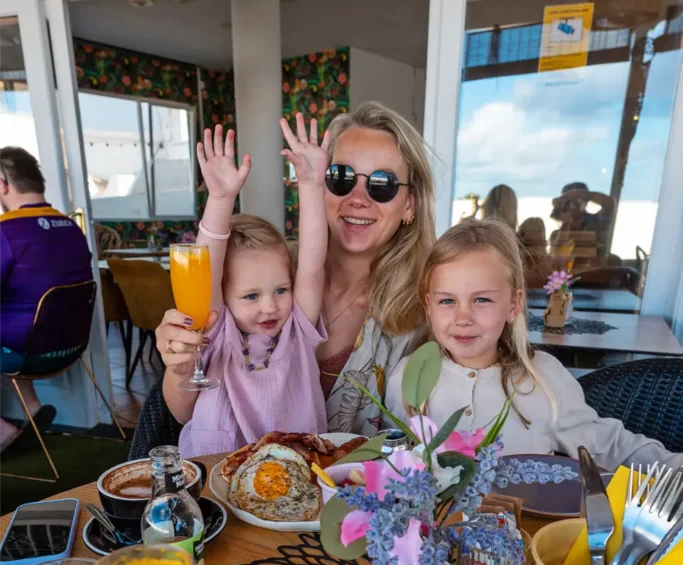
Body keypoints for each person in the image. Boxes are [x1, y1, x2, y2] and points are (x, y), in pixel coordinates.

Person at [157, 101, 436, 436]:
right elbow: (183, 411)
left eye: (382, 183)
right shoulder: (261, 274)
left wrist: (311, 184)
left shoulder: (430, 314)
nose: (358, 198)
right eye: (340, 177)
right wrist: (179, 368)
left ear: (411, 204)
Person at [384, 219, 678, 472]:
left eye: (482, 299)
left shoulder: (545, 378)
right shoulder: (407, 379)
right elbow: (387, 471)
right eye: (447, 300)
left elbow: (611, 447)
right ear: (428, 306)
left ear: (514, 305)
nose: (463, 317)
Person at [159, 115, 329, 457]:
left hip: (294, 474)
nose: (270, 306)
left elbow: (312, 264)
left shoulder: (297, 326)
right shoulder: (217, 329)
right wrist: (221, 199)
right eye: (251, 296)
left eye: (281, 290)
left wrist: (312, 186)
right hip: (219, 475)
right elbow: (207, 265)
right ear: (222, 295)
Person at [0, 146, 93, 449]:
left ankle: (3, 431)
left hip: (25, 353)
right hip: (73, 346)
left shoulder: (7, 231)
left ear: (3, 184)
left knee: (17, 324)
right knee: (21, 317)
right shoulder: (71, 227)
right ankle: (34, 411)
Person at [550, 181, 615, 256]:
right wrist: (566, 222)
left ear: (586, 201)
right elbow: (557, 255)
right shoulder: (558, 233)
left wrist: (573, 194)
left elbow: (609, 203)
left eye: (575, 200)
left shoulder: (597, 223)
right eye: (567, 202)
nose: (570, 204)